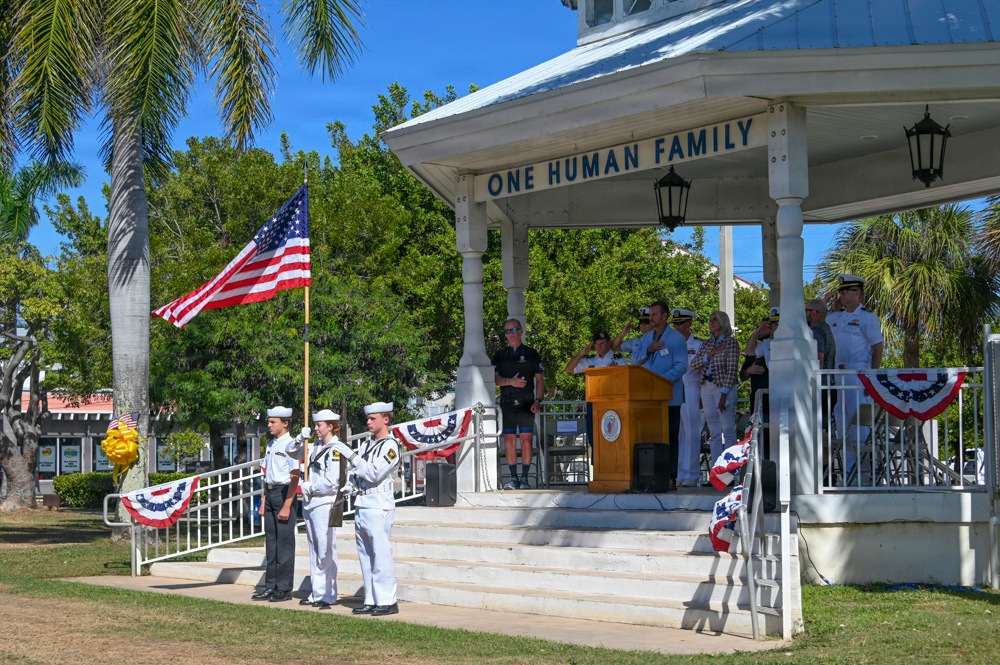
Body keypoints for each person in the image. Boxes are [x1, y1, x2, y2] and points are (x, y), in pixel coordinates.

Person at [333, 402, 402, 617]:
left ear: (386, 419)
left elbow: (373, 473)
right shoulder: (367, 444)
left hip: (379, 503)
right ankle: (372, 599)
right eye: (368, 418)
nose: (368, 422)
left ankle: (388, 600)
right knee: (365, 556)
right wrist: (350, 484)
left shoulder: (390, 446)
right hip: (362, 503)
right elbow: (357, 472)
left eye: (373, 418)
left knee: (381, 555)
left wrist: (350, 456)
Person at [290, 408, 348, 610]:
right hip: (310, 503)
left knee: (326, 549)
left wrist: (308, 487)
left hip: (324, 502)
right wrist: (299, 438)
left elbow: (331, 482)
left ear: (330, 426)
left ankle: (328, 594)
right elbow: (289, 451)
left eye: (319, 425)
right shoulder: (312, 446)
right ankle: (317, 592)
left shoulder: (335, 448)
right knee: (314, 549)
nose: (315, 428)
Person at [827, 274, 883, 476]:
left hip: (858, 373)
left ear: (857, 293)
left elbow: (878, 346)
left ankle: (864, 472)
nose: (840, 295)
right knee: (842, 423)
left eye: (845, 291)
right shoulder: (835, 317)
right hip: (837, 374)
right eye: (840, 291)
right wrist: (828, 302)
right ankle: (849, 472)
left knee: (859, 423)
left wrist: (872, 376)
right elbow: (812, 318)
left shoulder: (868, 317)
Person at [251, 405, 305, 603]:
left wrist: (287, 504)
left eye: (273, 422)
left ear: (285, 423)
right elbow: (267, 475)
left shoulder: (291, 445)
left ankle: (283, 588)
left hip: (284, 495)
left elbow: (294, 477)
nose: (269, 425)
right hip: (271, 492)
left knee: (284, 544)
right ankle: (270, 585)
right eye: (269, 421)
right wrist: (265, 500)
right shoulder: (272, 444)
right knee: (271, 543)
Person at [639, 300, 688, 491]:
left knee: (669, 436)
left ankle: (670, 477)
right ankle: (650, 476)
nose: (651, 318)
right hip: (648, 397)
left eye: (654, 315)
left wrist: (661, 381)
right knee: (650, 436)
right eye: (650, 315)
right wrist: (648, 349)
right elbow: (635, 359)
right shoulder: (646, 338)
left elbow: (681, 365)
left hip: (669, 396)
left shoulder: (676, 339)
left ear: (664, 316)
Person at [492, 319, 544, 490]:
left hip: (526, 401)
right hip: (507, 401)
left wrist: (538, 400)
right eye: (507, 331)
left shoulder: (531, 353)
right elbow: (495, 379)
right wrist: (510, 382)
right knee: (509, 440)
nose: (511, 333)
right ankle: (513, 479)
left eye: (514, 329)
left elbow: (539, 379)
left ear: (521, 331)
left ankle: (525, 479)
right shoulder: (500, 355)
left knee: (526, 440)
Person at [689, 311, 741, 470]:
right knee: (714, 431)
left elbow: (732, 369)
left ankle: (730, 470)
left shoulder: (731, 343)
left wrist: (724, 395)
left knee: (728, 430)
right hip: (706, 387)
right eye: (710, 320)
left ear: (723, 322)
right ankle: (717, 471)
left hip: (723, 387)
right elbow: (695, 363)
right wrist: (711, 353)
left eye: (715, 320)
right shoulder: (707, 344)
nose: (712, 323)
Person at [670, 308, 705, 488]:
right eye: (675, 323)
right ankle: (681, 472)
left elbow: (703, 369)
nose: (677, 326)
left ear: (690, 323)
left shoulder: (698, 345)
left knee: (692, 432)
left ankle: (692, 473)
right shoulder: (671, 344)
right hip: (675, 388)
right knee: (680, 433)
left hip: (692, 388)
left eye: (681, 322)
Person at [739, 309, 778, 456]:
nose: (772, 328)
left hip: (781, 396)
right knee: (761, 435)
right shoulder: (765, 344)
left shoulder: (789, 341)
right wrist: (757, 331)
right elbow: (749, 351)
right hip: (763, 399)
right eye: (771, 324)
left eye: (773, 324)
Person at [807, 298, 837, 466]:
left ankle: (824, 474)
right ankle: (826, 473)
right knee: (823, 430)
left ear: (814, 313)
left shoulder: (817, 331)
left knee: (821, 432)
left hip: (821, 387)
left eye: (806, 310)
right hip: (828, 385)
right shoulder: (826, 329)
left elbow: (818, 359)